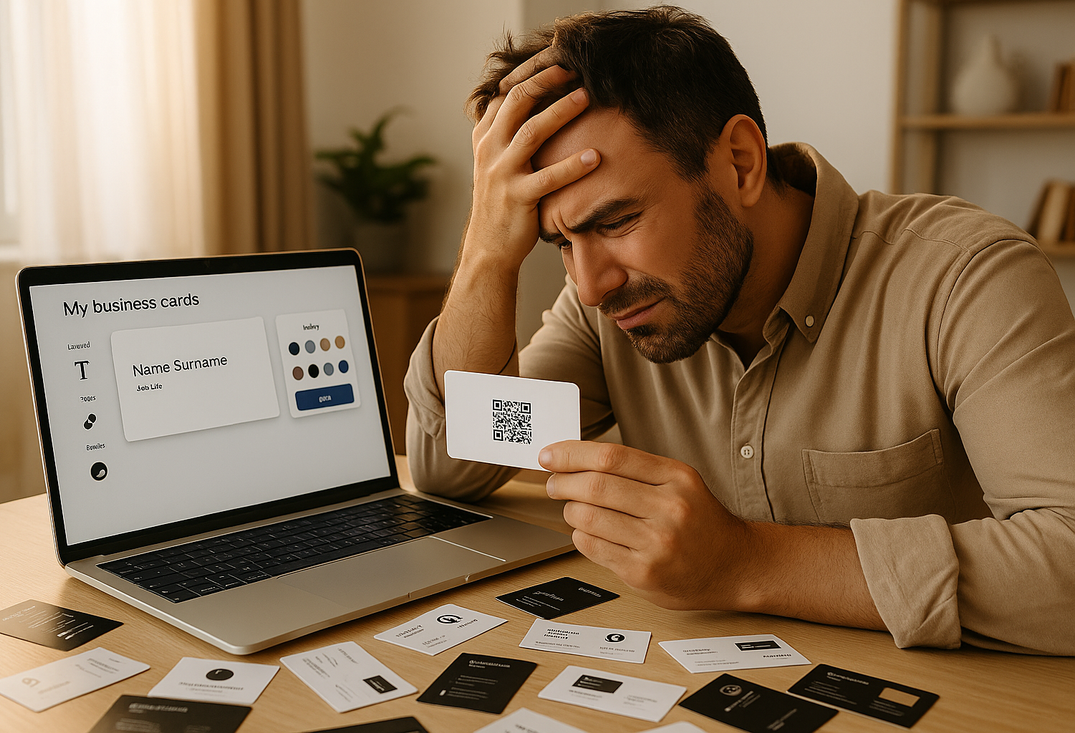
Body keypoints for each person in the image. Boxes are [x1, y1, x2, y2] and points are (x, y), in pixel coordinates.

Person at [403, 6, 1075, 655]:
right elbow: (452, 466)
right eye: (559, 242)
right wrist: (487, 250)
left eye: (615, 222)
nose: (588, 284)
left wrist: (745, 560)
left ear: (741, 163)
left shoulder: (965, 276)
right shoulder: (606, 309)